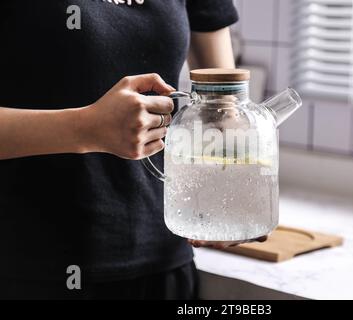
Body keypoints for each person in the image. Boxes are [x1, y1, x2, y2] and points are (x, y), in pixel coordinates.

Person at [0, 0, 264, 300]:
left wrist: (234, 193)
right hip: (28, 266)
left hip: (164, 259)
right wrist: (84, 128)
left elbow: (223, 108)